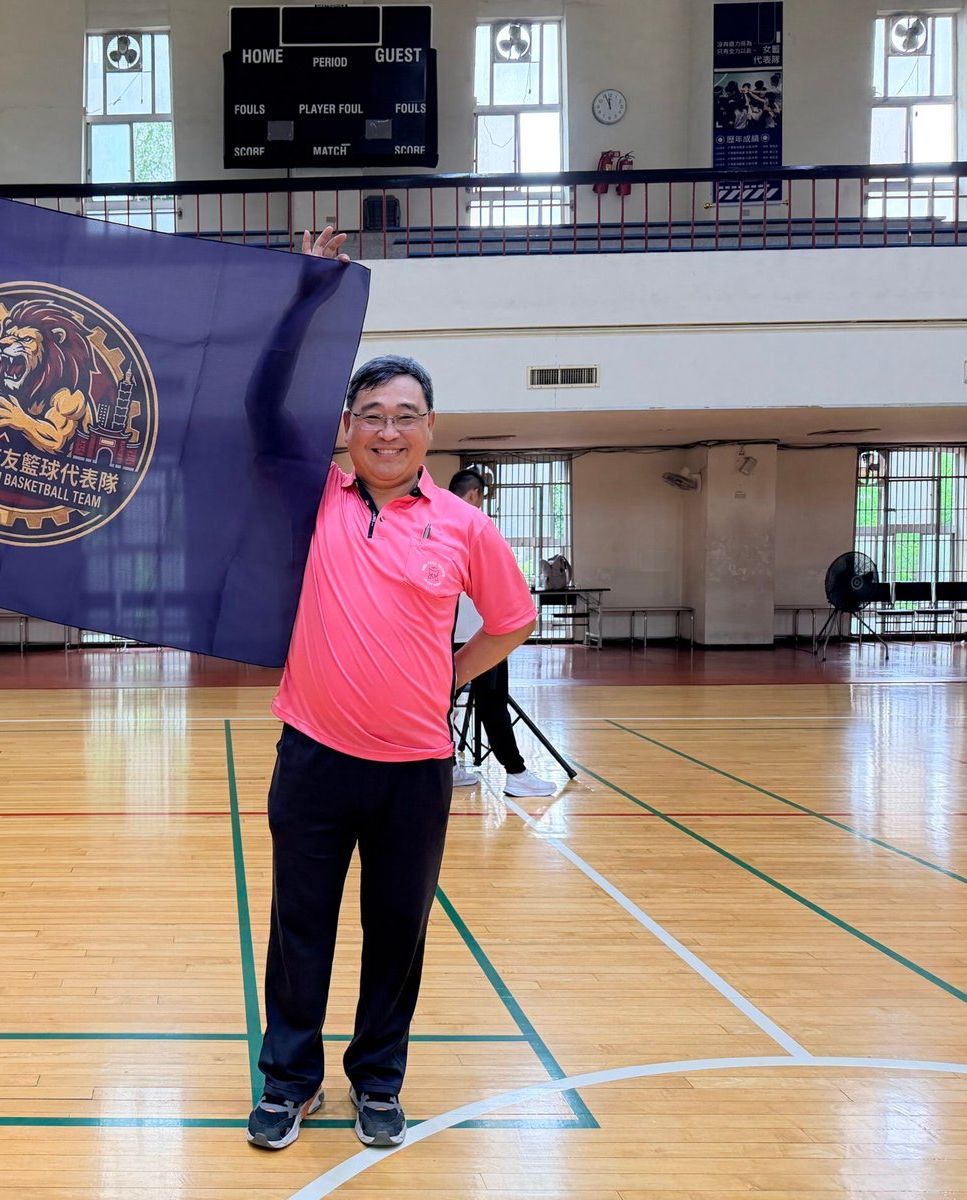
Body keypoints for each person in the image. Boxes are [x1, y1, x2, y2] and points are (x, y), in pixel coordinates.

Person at [246, 227, 537, 1152]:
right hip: (313, 758)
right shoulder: (315, 499)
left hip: (414, 769)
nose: (387, 429)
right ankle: (289, 1081)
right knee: (299, 929)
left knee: (396, 933)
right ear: (347, 428)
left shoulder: (464, 527)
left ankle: (378, 1080)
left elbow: (513, 620)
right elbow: (262, 407)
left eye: (405, 415)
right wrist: (307, 295)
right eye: (370, 413)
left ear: (429, 430)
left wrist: (446, 676)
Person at [446, 468, 558, 798]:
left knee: (440, 704)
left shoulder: (435, 523)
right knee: (492, 703)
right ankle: (516, 773)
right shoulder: (475, 524)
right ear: (474, 495)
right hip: (483, 636)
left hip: (446, 634)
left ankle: (447, 766)